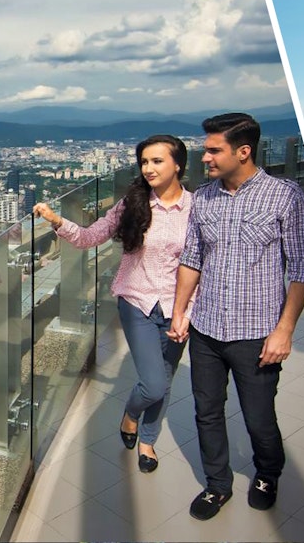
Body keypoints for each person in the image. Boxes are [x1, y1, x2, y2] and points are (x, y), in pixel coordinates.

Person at [169, 112, 304, 521]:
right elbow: (192, 258)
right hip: (206, 329)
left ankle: (268, 472)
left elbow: (303, 267)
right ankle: (218, 485)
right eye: (205, 149)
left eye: (214, 150)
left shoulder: (286, 197)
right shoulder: (203, 198)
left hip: (257, 333)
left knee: (258, 417)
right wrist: (181, 312)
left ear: (244, 151)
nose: (205, 157)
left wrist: (284, 331)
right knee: (207, 411)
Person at [33, 134, 190, 474]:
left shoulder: (196, 208)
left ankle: (147, 440)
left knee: (165, 377)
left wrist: (189, 312)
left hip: (179, 308)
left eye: (157, 161)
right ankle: (131, 415)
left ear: (178, 164)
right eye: (144, 162)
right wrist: (57, 221)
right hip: (137, 302)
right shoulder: (132, 204)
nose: (148, 168)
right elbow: (91, 237)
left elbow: (203, 263)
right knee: (153, 382)